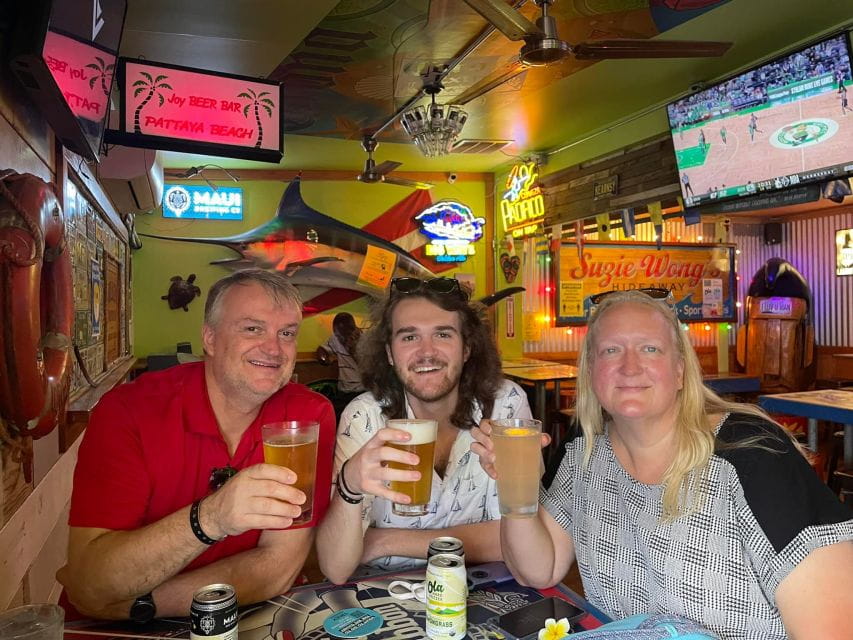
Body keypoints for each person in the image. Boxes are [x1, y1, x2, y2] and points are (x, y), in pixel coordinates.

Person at [471, 289, 853, 639]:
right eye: (610, 351)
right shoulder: (585, 453)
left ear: (682, 370)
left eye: (650, 349)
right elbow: (539, 568)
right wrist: (513, 484)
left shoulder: (751, 456)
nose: (630, 367)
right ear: (590, 372)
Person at [58, 269, 336, 620]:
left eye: (287, 333)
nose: (274, 348)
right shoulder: (128, 411)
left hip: (233, 617)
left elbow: (278, 567)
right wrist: (211, 518)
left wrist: (141, 604)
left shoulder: (307, 417)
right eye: (252, 328)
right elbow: (91, 584)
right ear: (210, 338)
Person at [316, 276, 532, 583]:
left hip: (485, 587)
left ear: (467, 348)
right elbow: (336, 567)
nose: (426, 352)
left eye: (442, 334)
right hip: (383, 595)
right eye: (408, 337)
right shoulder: (365, 416)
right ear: (389, 354)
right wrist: (349, 484)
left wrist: (382, 541)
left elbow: (517, 540)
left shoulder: (505, 405)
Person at [316, 312, 366, 415]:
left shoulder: (364, 339)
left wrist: (352, 347)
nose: (340, 336)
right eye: (338, 333)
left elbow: (366, 363)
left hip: (363, 390)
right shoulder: (335, 338)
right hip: (344, 389)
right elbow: (322, 349)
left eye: (343, 332)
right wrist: (324, 359)